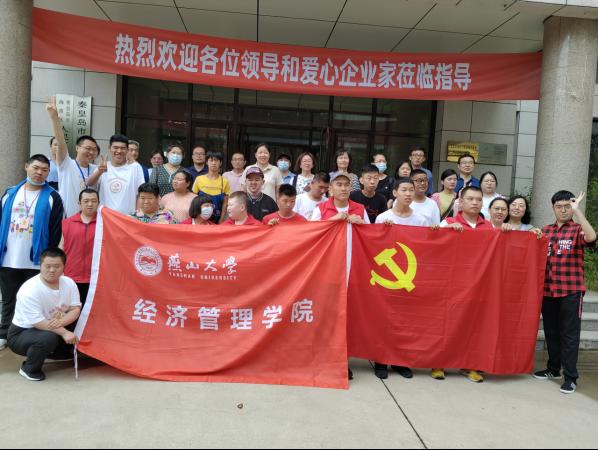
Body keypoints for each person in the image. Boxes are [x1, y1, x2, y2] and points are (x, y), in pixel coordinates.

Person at [534, 191, 596, 394]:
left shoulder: (577, 229)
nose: (563, 210)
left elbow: (591, 237)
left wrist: (578, 212)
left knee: (569, 335)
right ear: (553, 208)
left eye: (567, 206)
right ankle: (553, 369)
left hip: (571, 291)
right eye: (559, 206)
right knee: (551, 332)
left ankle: (570, 377)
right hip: (548, 290)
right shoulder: (546, 231)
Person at [0, 155, 64, 350]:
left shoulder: (53, 197)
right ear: (26, 167)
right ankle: (4, 333)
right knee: (9, 298)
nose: (39, 172)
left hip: (36, 260)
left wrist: (48, 258)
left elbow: (55, 230)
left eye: (44, 170)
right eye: (36, 168)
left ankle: (31, 335)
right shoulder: (10, 193)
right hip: (8, 257)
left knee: (35, 300)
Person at [373, 178, 430, 380]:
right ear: (395, 192)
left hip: (410, 277)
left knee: (405, 321)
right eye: (404, 190)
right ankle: (380, 360)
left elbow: (426, 248)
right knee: (383, 319)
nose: (408, 194)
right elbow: (375, 247)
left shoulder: (421, 220)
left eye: (411, 190)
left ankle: (400, 360)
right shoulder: (383, 218)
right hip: (387, 279)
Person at [435, 186, 493, 383]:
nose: (475, 203)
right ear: (461, 201)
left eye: (478, 199)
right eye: (470, 199)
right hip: (452, 284)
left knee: (474, 326)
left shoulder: (488, 227)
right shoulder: (448, 222)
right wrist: (447, 232)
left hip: (479, 285)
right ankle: (439, 363)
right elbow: (434, 246)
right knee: (447, 324)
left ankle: (469, 365)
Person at [7, 248, 81, 381]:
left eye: (57, 266)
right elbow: (38, 322)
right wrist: (64, 332)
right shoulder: (29, 289)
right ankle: (29, 368)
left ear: (64, 266)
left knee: (76, 321)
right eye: (47, 266)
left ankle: (58, 353)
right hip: (22, 333)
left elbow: (75, 308)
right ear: (40, 266)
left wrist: (61, 322)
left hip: (52, 322)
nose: (52, 270)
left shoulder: (69, 283)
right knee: (48, 338)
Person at [46, 98, 98, 218]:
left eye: (94, 149)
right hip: (68, 218)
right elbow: (61, 142)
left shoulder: (96, 169)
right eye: (88, 148)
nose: (91, 152)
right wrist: (54, 117)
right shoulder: (67, 164)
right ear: (77, 148)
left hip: (90, 220)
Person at [60, 188, 98, 310]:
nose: (90, 204)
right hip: (71, 276)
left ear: (98, 203)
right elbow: (61, 248)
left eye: (94, 201)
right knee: (70, 310)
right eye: (86, 201)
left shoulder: (104, 224)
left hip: (95, 277)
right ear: (79, 203)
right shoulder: (66, 223)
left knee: (91, 312)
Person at [94, 134, 145, 215]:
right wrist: (99, 171)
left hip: (127, 217)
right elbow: (90, 185)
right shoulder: (102, 167)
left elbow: (141, 193)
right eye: (115, 147)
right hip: (105, 217)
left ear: (127, 150)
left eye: (123, 148)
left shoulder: (135, 167)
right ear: (109, 148)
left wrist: (137, 215)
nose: (119, 151)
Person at [192, 151, 231, 224]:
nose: (213, 163)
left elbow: (225, 203)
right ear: (207, 162)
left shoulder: (224, 181)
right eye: (211, 160)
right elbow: (193, 199)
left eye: (216, 160)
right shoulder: (199, 179)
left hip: (217, 218)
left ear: (220, 163)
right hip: (200, 218)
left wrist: (222, 219)